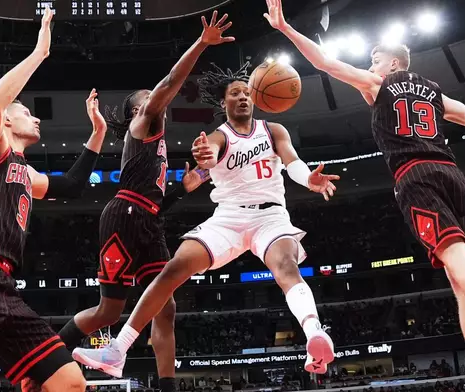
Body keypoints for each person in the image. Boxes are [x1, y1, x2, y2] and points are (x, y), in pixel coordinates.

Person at [262, 0, 465, 391]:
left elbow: (325, 63)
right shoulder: (435, 93)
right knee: (461, 275)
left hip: (416, 176)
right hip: (452, 174)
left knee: (457, 263)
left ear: (394, 65)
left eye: (375, 60)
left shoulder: (380, 84)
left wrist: (286, 29)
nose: (370, 65)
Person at [72, 62, 340, 375]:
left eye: (246, 93)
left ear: (256, 98)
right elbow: (210, 154)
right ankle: (118, 349)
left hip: (270, 216)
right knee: (174, 268)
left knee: (286, 266)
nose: (242, 97)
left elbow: (292, 161)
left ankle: (314, 333)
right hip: (228, 218)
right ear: (224, 103)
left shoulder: (274, 131)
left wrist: (309, 179)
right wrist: (206, 157)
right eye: (234, 93)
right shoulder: (218, 136)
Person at [0, 7, 109, 391]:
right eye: (28, 113)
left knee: (69, 381)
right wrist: (40, 53)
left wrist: (97, 133)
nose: (38, 120)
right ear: (9, 123)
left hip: (5, 284)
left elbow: (73, 185)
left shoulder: (26, 173)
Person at [57, 11, 234, 385]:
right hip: (124, 216)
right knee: (109, 311)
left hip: (149, 217)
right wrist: (201, 43)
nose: (157, 99)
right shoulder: (143, 124)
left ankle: (167, 385)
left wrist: (195, 178)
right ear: (139, 109)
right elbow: (170, 82)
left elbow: (158, 195)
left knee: (166, 307)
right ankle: (51, 360)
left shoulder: (156, 141)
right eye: (149, 97)